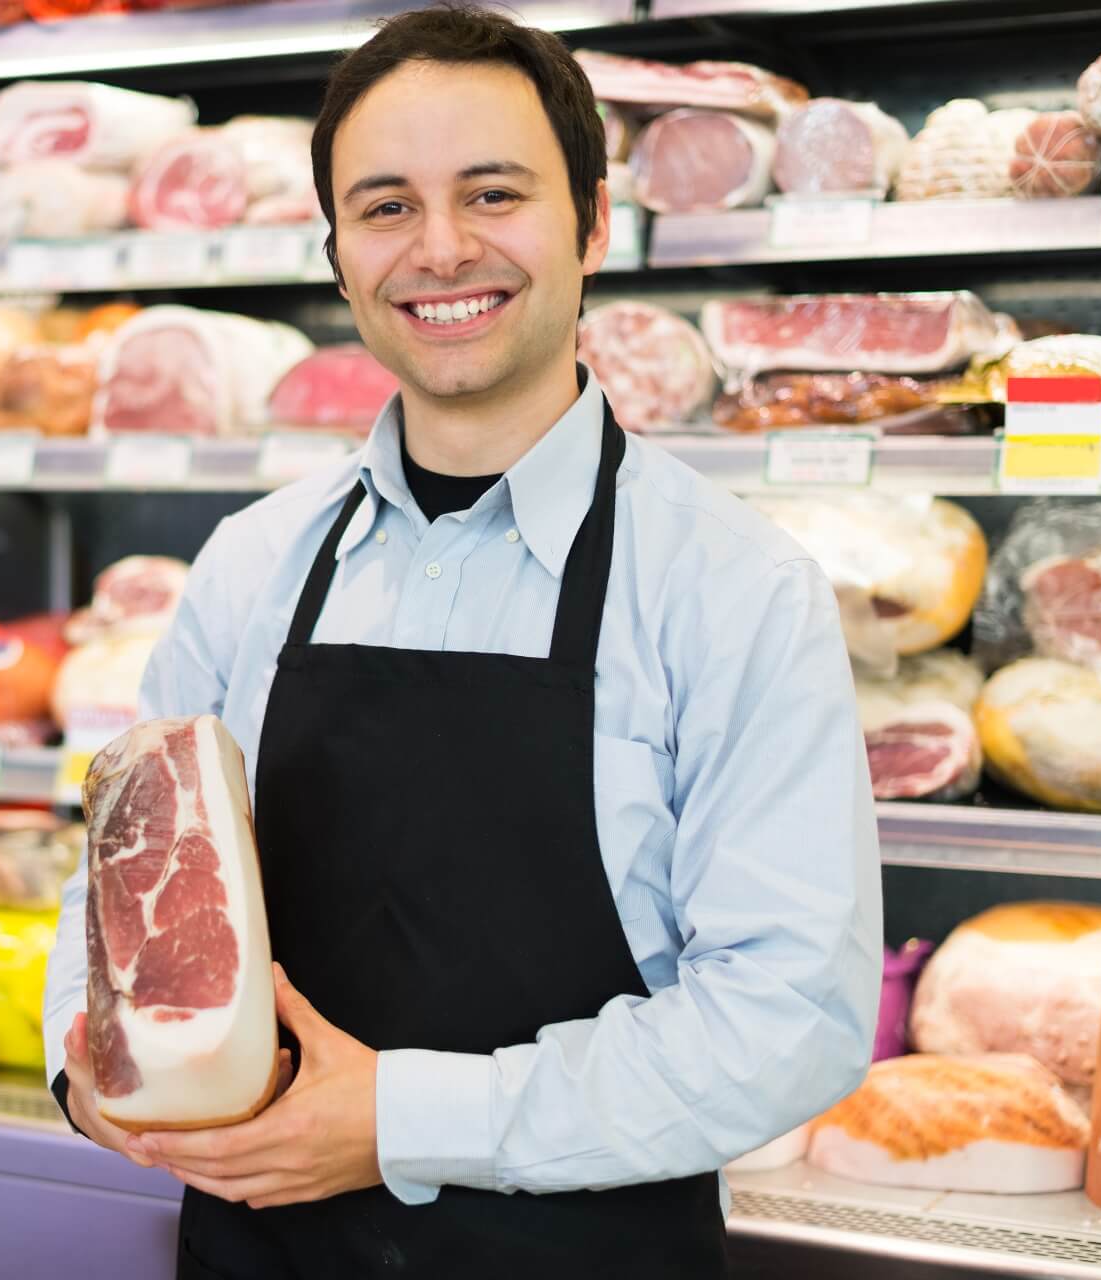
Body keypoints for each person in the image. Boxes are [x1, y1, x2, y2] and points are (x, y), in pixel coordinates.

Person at [43, 7, 882, 1276]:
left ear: (593, 223)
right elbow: (111, 899)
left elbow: (789, 1017)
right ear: (336, 253)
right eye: (385, 208)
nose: (440, 250)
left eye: (492, 193)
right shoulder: (253, 563)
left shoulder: (732, 586)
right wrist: (87, 1062)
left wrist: (397, 1120)